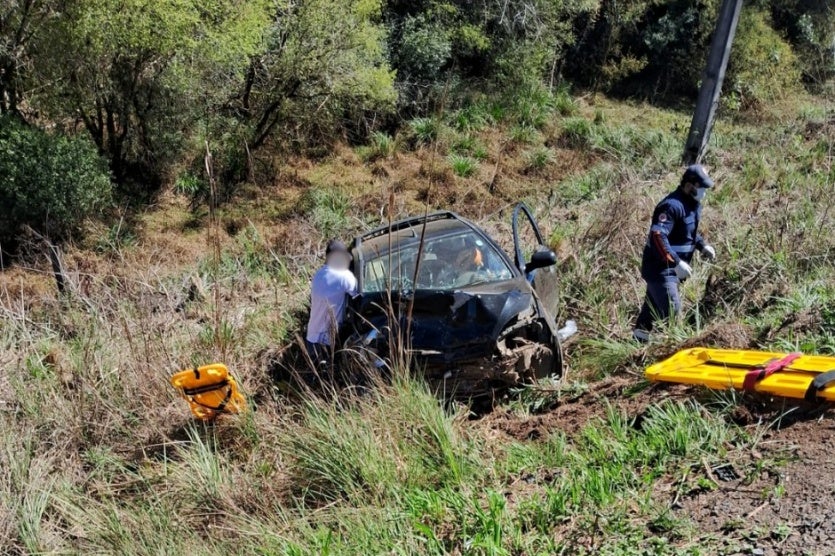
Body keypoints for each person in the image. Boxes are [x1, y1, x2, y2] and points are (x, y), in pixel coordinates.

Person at [633, 164, 717, 343]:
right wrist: (675, 262)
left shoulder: (692, 205)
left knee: (650, 311)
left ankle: (636, 346)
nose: (703, 192)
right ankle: (674, 350)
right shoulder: (671, 206)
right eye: (701, 187)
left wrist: (702, 246)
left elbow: (687, 233)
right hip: (661, 270)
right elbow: (658, 236)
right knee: (673, 313)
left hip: (669, 269)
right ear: (689, 185)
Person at [306, 239, 358, 365]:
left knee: (317, 379)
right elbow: (359, 297)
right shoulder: (344, 276)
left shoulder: (319, 274)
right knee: (328, 377)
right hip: (326, 341)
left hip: (311, 338)